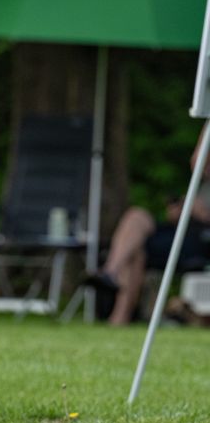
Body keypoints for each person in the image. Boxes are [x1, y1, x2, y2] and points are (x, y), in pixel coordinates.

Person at [88, 125, 210, 325]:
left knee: (137, 250)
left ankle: (118, 313)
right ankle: (111, 272)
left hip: (200, 239)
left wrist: (202, 214)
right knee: (136, 217)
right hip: (180, 230)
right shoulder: (202, 182)